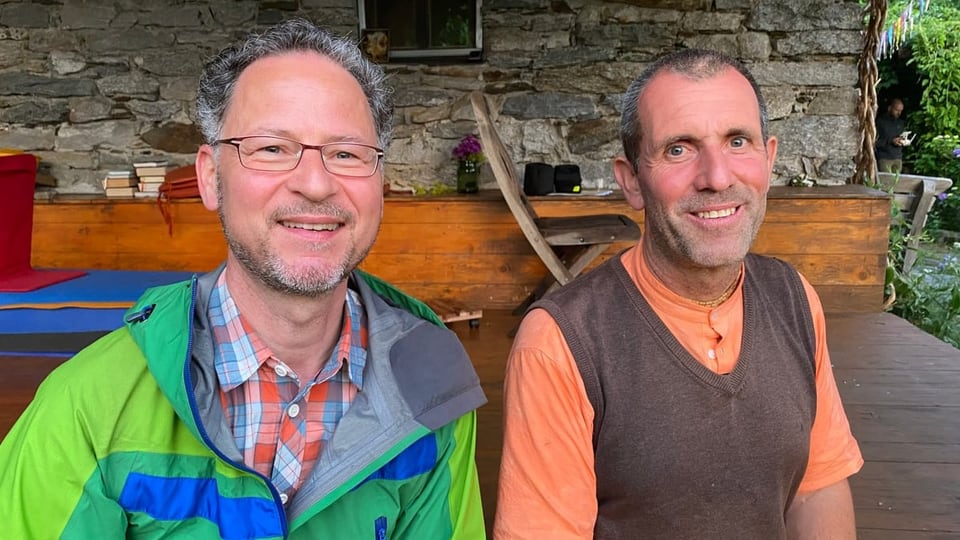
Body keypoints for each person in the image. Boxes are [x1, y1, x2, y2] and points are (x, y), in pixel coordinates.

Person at [0, 18, 487, 539]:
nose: (316, 183)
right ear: (211, 177)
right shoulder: (86, 407)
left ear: (380, 182)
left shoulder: (431, 388)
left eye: (346, 153)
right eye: (272, 148)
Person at [495, 49, 863, 539]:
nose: (716, 177)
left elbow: (816, 488)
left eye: (737, 141)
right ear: (631, 180)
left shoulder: (794, 298)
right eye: (678, 149)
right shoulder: (560, 343)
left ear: (768, 159)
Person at [875, 97, 907, 173]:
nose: (899, 113)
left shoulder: (900, 123)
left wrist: (903, 141)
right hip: (884, 158)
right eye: (896, 110)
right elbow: (874, 142)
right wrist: (891, 141)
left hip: (898, 158)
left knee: (897, 182)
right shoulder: (880, 122)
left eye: (901, 111)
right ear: (889, 108)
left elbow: (901, 137)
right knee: (886, 183)